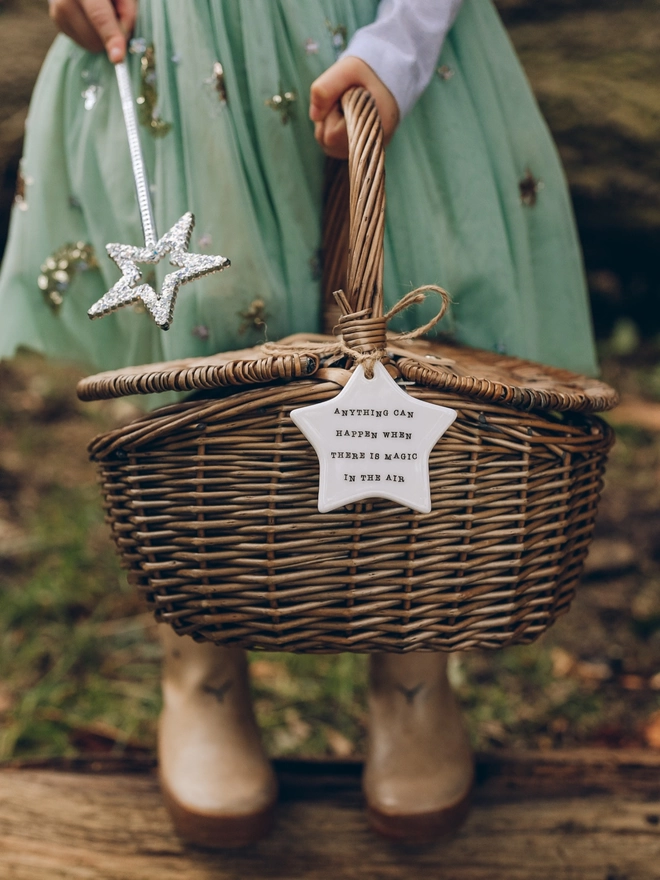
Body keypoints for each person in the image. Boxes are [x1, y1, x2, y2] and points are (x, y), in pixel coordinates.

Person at [0, 0, 598, 847]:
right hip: (178, 41)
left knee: (407, 314)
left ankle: (414, 671)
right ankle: (202, 666)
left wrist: (405, 44)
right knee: (200, 325)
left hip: (378, 35)